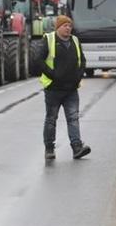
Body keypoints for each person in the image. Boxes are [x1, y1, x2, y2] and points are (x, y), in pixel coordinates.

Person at [38, 15, 91, 160]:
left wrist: (79, 75)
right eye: (65, 26)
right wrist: (53, 75)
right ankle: (49, 149)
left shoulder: (75, 40)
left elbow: (82, 60)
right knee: (51, 119)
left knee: (73, 118)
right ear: (58, 27)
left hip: (71, 89)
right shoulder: (49, 40)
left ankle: (77, 147)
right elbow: (38, 60)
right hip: (53, 89)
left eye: (70, 26)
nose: (68, 28)